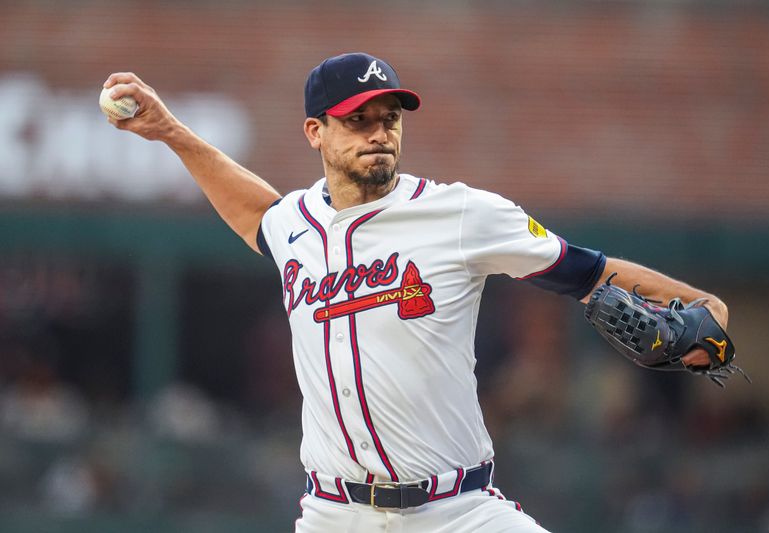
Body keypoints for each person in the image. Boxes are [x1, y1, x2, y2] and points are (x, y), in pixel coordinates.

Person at [104, 52, 726, 532]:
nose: (379, 133)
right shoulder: (296, 225)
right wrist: (170, 132)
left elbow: (588, 270)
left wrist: (707, 305)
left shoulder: (461, 214)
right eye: (358, 120)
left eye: (389, 118)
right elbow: (255, 214)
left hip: (458, 510)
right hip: (336, 515)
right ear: (315, 132)